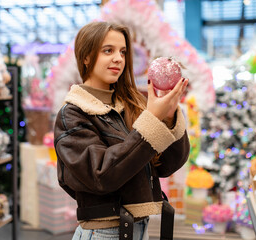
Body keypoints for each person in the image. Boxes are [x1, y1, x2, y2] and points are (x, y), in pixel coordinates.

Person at [54, 21, 190, 240]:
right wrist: (151, 122)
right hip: (104, 233)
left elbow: (166, 166)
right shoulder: (72, 114)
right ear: (86, 57)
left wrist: (169, 117)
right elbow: (101, 175)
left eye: (123, 52)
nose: (118, 58)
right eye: (108, 50)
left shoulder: (133, 104)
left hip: (139, 228)